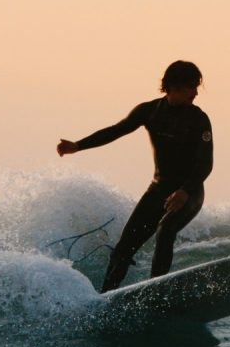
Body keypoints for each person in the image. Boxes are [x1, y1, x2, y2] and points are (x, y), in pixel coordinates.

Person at [56, 60, 213, 290]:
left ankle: (154, 292)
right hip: (158, 189)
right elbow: (115, 131)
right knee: (123, 249)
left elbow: (205, 164)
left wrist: (184, 191)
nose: (195, 93)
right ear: (175, 86)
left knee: (166, 230)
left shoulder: (199, 119)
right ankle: (105, 299)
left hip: (190, 191)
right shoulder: (149, 111)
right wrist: (78, 146)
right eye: (191, 87)